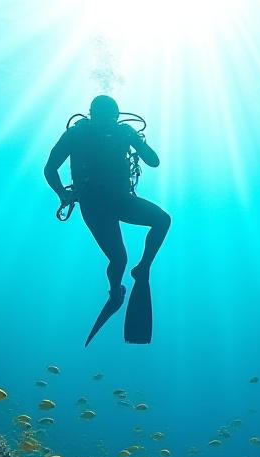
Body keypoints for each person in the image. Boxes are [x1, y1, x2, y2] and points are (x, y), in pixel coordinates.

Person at [44, 95, 169, 346]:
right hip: (94, 206)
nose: (104, 120)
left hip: (119, 200)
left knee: (162, 220)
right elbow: (50, 168)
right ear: (90, 114)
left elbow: (154, 161)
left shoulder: (123, 133)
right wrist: (62, 193)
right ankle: (115, 293)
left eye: (109, 115)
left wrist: (136, 140)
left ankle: (142, 267)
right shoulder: (75, 135)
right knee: (119, 258)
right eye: (100, 115)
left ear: (116, 116)